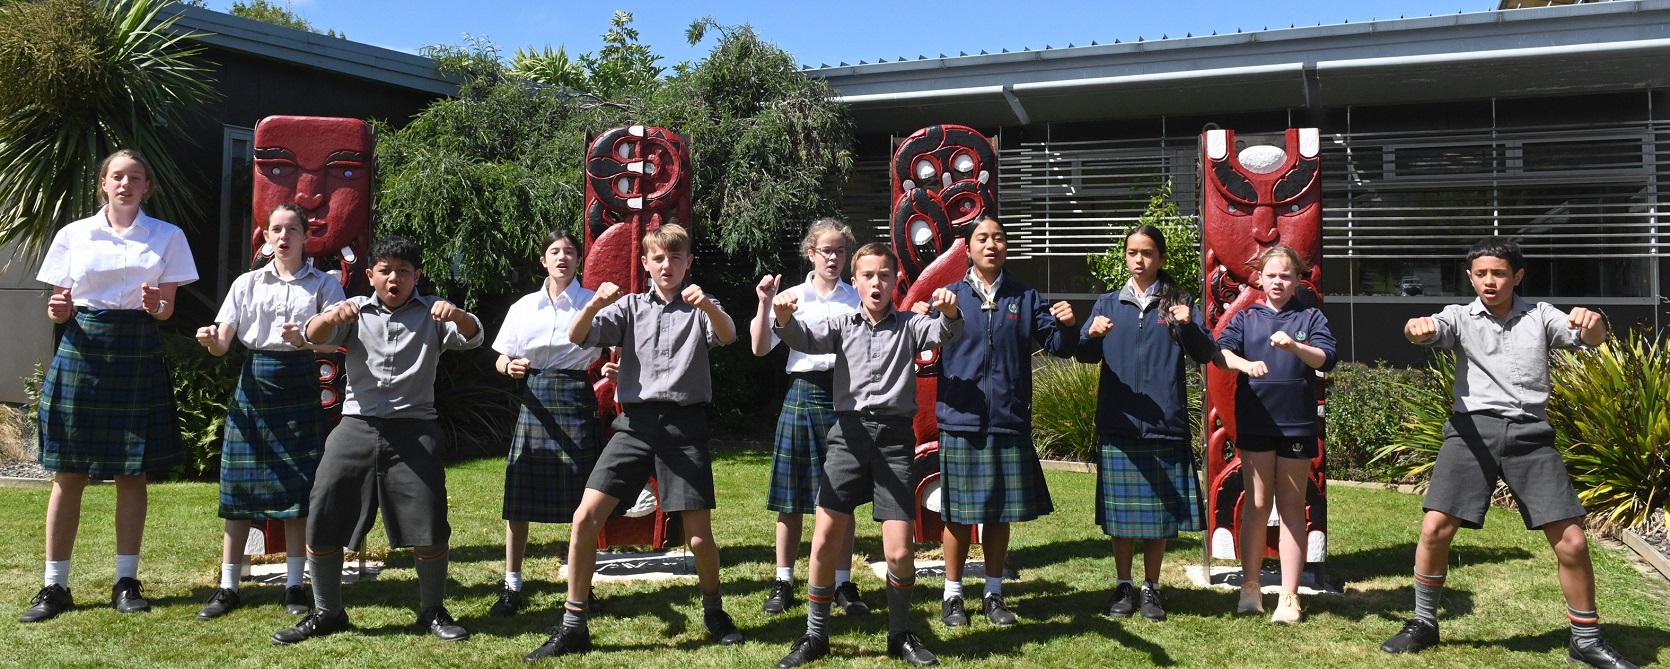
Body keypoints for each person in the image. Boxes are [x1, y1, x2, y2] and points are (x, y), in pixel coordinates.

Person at [1379, 238, 1636, 669]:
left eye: (1498, 273)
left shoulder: (1540, 315)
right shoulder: (1459, 317)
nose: (1489, 281)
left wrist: (1593, 322)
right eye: (1481, 274)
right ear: (1470, 277)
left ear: (1516, 276)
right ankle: (1424, 622)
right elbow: (1427, 331)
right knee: (1435, 528)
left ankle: (1586, 640)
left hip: (1530, 435)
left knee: (1572, 542)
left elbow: (1591, 337)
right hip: (1471, 432)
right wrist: (1414, 328)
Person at [524, 223, 742, 660]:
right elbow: (579, 336)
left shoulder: (700, 305)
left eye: (675, 258)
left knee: (698, 538)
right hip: (634, 425)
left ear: (687, 263)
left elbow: (729, 334)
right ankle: (574, 623)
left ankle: (714, 610)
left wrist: (710, 308)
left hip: (684, 428)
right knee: (585, 518)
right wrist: (595, 305)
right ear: (645, 265)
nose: (667, 265)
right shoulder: (628, 307)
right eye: (658, 258)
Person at [272, 235, 483, 644]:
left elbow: (474, 336)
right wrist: (333, 315)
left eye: (404, 271)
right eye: (385, 270)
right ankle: (328, 612)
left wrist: (456, 314)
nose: (394, 279)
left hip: (415, 429)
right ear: (370, 275)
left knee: (431, 520)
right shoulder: (354, 311)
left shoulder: (434, 313)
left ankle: (432, 610)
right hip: (356, 426)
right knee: (324, 509)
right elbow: (314, 336)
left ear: (416, 276)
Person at [22, 149, 199, 623]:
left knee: (131, 471)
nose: (125, 184)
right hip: (83, 345)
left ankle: (127, 581)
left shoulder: (167, 236)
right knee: (68, 471)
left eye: (135, 177)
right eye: (117, 176)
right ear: (103, 183)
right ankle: (54, 586)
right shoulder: (73, 234)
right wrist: (58, 312)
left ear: (147, 187)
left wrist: (156, 305)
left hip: (137, 346)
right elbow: (58, 305)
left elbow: (166, 310)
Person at [772, 243, 962, 668]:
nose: (876, 282)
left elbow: (945, 334)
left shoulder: (912, 324)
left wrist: (950, 311)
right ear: (854, 282)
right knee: (823, 541)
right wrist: (782, 315)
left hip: (895, 442)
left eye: (883, 275)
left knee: (898, 553)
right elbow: (802, 337)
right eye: (867, 275)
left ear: (895, 281)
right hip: (848, 436)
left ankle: (899, 635)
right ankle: (815, 634)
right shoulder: (841, 323)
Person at [193, 203, 344, 620]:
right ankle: (228, 588)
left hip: (299, 381)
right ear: (265, 234)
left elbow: (336, 342)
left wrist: (307, 341)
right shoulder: (246, 283)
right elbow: (224, 340)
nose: (283, 236)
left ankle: (296, 585)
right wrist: (210, 340)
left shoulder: (324, 286)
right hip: (255, 382)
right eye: (276, 229)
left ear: (304, 236)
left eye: (291, 229)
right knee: (238, 489)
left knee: (298, 490)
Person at [934, 216, 1076, 628]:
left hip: (1008, 420)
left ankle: (994, 593)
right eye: (983, 238)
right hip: (961, 419)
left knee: (998, 514)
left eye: (998, 238)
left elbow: (1057, 345)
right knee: (957, 514)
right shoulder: (951, 296)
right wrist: (940, 314)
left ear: (1007, 247)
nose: (991, 245)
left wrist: (1068, 325)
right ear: (968, 248)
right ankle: (953, 595)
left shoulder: (1025, 297)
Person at [1075, 224, 1215, 622]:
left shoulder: (1179, 304)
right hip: (1119, 423)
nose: (1140, 260)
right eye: (1133, 252)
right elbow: (1084, 354)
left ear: (1161, 258)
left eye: (1148, 253)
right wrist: (1090, 333)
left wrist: (1188, 323)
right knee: (1122, 517)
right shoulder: (1107, 303)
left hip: (1164, 424)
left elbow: (1205, 353)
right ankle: (1123, 584)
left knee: (1158, 517)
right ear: (1125, 256)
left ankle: (1152, 587)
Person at [1212, 245, 1336, 624]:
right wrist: (1246, 364)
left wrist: (1296, 346)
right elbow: (1220, 353)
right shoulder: (1246, 317)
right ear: (1260, 279)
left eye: (1286, 276)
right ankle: (1250, 588)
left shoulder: (1311, 316)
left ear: (1297, 280)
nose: (1279, 282)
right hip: (1256, 423)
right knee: (1257, 504)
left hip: (1296, 424)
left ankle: (1289, 595)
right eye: (1272, 275)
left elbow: (1326, 359)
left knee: (1292, 507)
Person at [486, 229, 607, 616]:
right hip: (535, 396)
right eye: (554, 252)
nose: (562, 258)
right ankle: (512, 584)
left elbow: (612, 348)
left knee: (584, 502)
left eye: (569, 252)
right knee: (518, 501)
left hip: (575, 396)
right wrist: (509, 367)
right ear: (543, 260)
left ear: (578, 260)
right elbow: (500, 358)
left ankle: (582, 587)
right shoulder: (523, 307)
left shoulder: (593, 302)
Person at [750, 218, 866, 617]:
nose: (833, 257)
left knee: (842, 498)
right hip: (802, 394)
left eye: (839, 250)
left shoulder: (857, 297)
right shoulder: (790, 296)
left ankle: (842, 583)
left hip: (844, 396)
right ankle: (784, 579)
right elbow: (760, 349)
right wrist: (766, 303)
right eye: (825, 250)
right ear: (810, 254)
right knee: (792, 498)